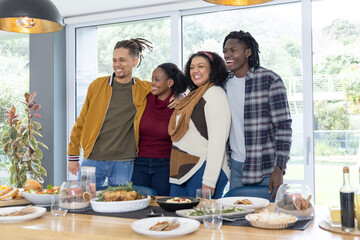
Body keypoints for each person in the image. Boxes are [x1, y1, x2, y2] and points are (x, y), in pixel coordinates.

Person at [67, 38, 153, 190]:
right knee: (83, 201)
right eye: (114, 60)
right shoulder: (97, 85)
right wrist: (73, 156)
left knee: (119, 204)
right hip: (93, 159)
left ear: (135, 61)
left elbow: (168, 88)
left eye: (122, 60)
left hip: (123, 160)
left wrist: (178, 96)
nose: (117, 64)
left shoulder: (143, 88)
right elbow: (81, 121)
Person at [222, 30, 292, 199]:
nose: (227, 55)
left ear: (248, 52)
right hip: (236, 167)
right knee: (237, 221)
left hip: (265, 168)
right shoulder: (223, 84)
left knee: (268, 220)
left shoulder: (270, 80)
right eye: (225, 51)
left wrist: (279, 168)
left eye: (233, 50)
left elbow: (283, 127)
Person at [168, 51, 231, 199]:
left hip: (203, 168)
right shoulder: (193, 95)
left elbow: (218, 141)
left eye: (200, 66)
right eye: (191, 67)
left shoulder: (215, 94)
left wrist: (209, 180)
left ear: (212, 69)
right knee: (180, 219)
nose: (195, 71)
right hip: (183, 169)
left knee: (201, 218)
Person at [131, 63, 187, 196]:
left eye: (157, 79)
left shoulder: (179, 104)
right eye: (152, 79)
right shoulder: (145, 97)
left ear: (170, 82)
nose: (152, 83)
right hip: (140, 161)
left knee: (162, 203)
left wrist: (182, 96)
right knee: (138, 202)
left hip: (165, 163)